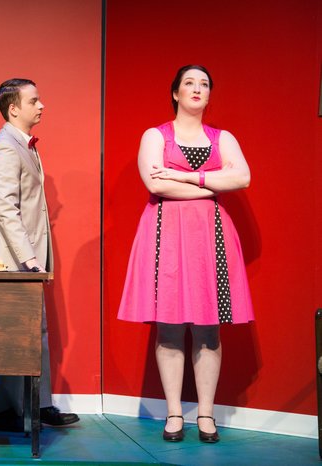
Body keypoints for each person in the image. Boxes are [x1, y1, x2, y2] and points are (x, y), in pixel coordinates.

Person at [117, 65, 254, 443]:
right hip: (165, 233)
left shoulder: (223, 138)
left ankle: (206, 413)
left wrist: (184, 175)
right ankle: (174, 412)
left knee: (209, 329)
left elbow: (242, 177)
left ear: (209, 95)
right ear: (175, 93)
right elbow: (156, 185)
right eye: (189, 83)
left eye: (204, 84)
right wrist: (213, 184)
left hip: (211, 236)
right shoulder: (155, 136)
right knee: (170, 326)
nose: (197, 89)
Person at [0, 78, 79, 432]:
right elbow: (6, 209)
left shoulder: (23, 145)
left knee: (28, 334)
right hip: (9, 261)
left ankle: (27, 407)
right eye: (34, 100)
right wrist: (30, 259)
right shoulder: (6, 149)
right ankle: (18, 410)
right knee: (14, 336)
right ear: (13, 108)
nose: (42, 105)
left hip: (19, 259)